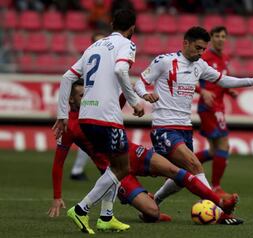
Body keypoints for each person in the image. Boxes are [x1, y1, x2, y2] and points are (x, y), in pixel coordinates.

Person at [49, 80, 241, 225]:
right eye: (82, 96)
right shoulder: (68, 126)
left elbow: (116, 106)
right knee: (152, 213)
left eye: (88, 94)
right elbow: (58, 163)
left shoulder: (96, 108)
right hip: (114, 171)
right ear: (71, 99)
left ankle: (220, 204)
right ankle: (144, 205)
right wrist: (57, 196)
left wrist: (127, 91)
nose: (87, 98)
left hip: (132, 152)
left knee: (178, 171)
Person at [133, 26, 253, 209]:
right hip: (164, 128)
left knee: (182, 177)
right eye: (197, 48)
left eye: (203, 49)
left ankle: (155, 201)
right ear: (185, 43)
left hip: (185, 128)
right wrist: (145, 95)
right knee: (195, 165)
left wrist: (252, 81)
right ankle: (219, 207)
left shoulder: (200, 65)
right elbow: (140, 82)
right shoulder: (165, 61)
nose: (201, 52)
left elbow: (222, 79)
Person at [53, 9, 144, 234]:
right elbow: (121, 69)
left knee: (111, 165)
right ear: (132, 28)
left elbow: (67, 77)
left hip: (85, 115)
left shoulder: (94, 46)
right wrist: (134, 101)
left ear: (112, 23)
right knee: (123, 167)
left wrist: (63, 114)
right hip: (107, 116)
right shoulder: (127, 44)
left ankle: (106, 216)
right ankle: (82, 209)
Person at [194, 26, 237, 198]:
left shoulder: (225, 58)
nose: (220, 39)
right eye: (217, 36)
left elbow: (222, 81)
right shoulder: (204, 57)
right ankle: (216, 187)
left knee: (213, 151)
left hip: (219, 107)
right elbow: (189, 77)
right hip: (210, 107)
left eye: (223, 36)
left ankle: (184, 166)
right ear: (211, 38)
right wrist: (202, 91)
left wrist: (229, 91)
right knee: (224, 145)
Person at [69, 32, 107, 181]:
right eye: (98, 41)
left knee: (90, 140)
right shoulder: (88, 61)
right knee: (89, 138)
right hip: (88, 106)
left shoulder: (102, 61)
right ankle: (79, 170)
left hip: (96, 105)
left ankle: (80, 170)